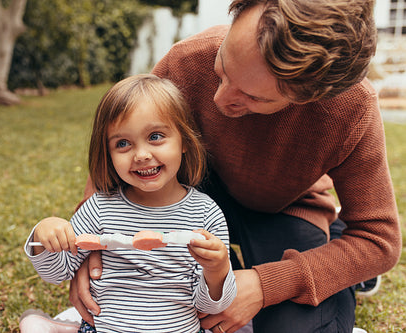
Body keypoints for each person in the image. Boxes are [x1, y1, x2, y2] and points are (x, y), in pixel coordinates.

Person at [70, 1, 402, 333]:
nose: (219, 99)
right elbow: (110, 174)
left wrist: (263, 285)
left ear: (312, 95)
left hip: (284, 208)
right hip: (189, 196)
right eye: (223, 67)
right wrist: (91, 251)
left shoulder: (351, 108)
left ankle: (333, 235)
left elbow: (377, 239)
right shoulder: (186, 60)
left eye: (254, 97)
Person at [24, 74, 237, 333]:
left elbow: (209, 305)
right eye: (123, 143)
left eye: (156, 136)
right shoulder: (99, 208)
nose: (142, 155)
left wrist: (217, 271)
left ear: (184, 141)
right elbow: (57, 272)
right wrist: (43, 234)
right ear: (108, 153)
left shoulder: (206, 213)